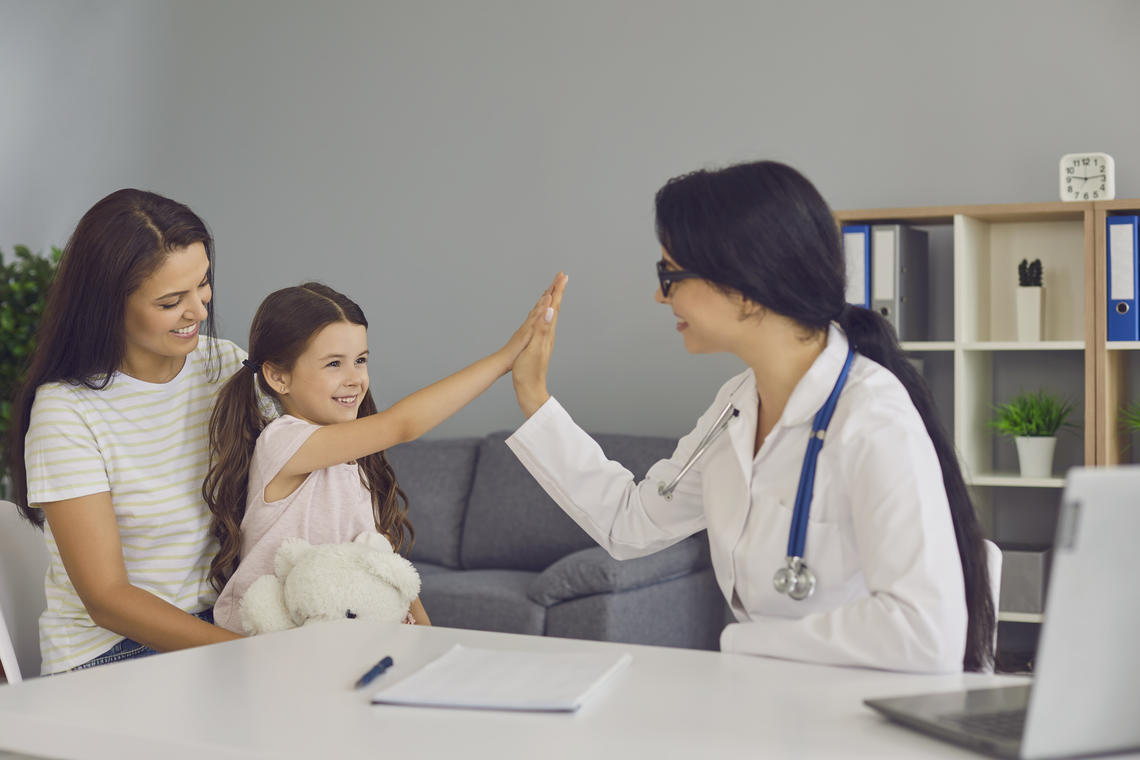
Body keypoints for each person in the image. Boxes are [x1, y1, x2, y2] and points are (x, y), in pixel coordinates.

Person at [508, 161, 995, 673]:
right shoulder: (737, 404)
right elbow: (633, 522)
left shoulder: (872, 417)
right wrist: (533, 393)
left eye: (669, 274)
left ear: (743, 285)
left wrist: (745, 645)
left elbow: (924, 634)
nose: (660, 294)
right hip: (769, 696)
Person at [205, 280, 557, 632]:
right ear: (278, 377)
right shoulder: (281, 443)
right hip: (270, 645)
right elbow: (402, 425)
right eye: (333, 364)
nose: (355, 378)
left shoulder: (352, 460)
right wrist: (503, 360)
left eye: (360, 360)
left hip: (339, 638)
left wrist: (421, 625)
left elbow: (375, 552)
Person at [7, 189, 248, 673]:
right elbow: (108, 599)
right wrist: (245, 654)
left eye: (203, 285)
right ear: (107, 305)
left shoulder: (225, 366)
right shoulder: (66, 412)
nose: (199, 311)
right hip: (114, 651)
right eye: (170, 301)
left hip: (221, 623)